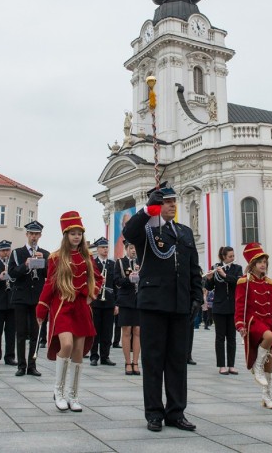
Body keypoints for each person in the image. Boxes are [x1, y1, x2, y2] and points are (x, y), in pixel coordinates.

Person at [123, 182, 202, 433]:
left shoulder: (184, 232)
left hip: (180, 303)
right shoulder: (146, 230)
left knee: (177, 360)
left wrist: (196, 297)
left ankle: (176, 412)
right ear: (158, 205)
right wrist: (148, 210)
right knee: (154, 359)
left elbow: (193, 269)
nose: (171, 205)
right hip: (154, 303)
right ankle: (154, 413)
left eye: (173, 201)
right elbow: (128, 232)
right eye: (166, 202)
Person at [36, 211, 102, 412]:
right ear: (65, 235)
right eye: (72, 233)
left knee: (78, 352)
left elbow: (98, 278)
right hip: (62, 305)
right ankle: (59, 391)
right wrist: (41, 308)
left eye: (79, 233)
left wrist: (92, 293)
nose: (76, 237)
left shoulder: (88, 256)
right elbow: (49, 283)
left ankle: (73, 396)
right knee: (65, 344)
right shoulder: (56, 257)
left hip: (81, 307)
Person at [235, 242, 272, 410]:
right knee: (268, 338)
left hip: (268, 322)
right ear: (252, 264)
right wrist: (240, 324)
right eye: (259, 262)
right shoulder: (244, 282)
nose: (263, 264)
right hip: (253, 322)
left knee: (269, 365)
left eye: (265, 262)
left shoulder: (271, 284)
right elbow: (239, 305)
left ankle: (266, 396)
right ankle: (257, 366)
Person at [9, 220, 50, 377]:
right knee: (20, 333)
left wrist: (44, 262)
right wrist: (26, 265)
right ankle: (21, 365)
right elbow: (12, 274)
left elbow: (49, 275)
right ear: (27, 235)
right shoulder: (17, 253)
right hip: (20, 296)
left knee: (35, 334)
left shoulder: (45, 253)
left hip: (37, 298)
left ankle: (32, 365)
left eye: (36, 234)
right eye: (31, 234)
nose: (34, 237)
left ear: (40, 235)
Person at [205, 246, 242, 375]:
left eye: (233, 255)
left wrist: (224, 275)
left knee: (231, 337)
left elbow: (238, 282)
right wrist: (209, 278)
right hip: (219, 307)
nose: (233, 258)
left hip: (232, 307)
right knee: (220, 338)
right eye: (230, 256)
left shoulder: (237, 268)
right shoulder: (215, 267)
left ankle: (231, 365)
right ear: (224, 257)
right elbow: (209, 287)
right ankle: (221, 365)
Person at [114, 241, 141, 375]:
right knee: (126, 331)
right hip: (125, 300)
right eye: (131, 248)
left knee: (137, 331)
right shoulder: (120, 262)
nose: (133, 250)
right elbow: (117, 281)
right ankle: (127, 362)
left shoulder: (141, 262)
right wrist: (129, 278)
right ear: (126, 249)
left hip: (139, 301)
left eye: (135, 248)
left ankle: (136, 362)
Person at [89, 237, 117, 367]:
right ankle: (94, 356)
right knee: (95, 330)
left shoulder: (112, 264)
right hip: (96, 301)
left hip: (109, 301)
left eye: (106, 247)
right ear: (98, 249)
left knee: (107, 331)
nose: (105, 249)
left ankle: (105, 356)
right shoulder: (92, 264)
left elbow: (116, 285)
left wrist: (116, 303)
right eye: (103, 247)